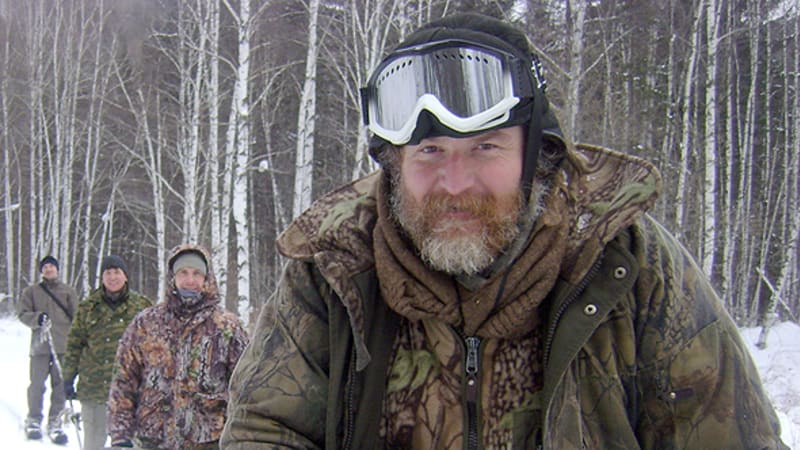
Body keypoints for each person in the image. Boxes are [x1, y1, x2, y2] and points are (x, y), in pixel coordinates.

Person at [220, 12, 788, 450]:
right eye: (429, 151)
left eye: (485, 148)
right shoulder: (333, 271)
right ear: (393, 164)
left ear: (537, 154)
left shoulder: (627, 263)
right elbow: (265, 431)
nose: (455, 183)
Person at [107, 244, 248, 449]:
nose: (190, 280)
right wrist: (120, 436)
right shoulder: (146, 323)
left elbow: (245, 386)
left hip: (209, 441)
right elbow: (124, 381)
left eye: (196, 273)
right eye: (183, 273)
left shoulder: (227, 326)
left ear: (207, 278)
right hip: (152, 440)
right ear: (173, 277)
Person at [62, 254, 153, 450]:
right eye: (108, 273)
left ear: (125, 276)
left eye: (117, 272)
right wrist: (67, 378)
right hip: (94, 390)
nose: (112, 277)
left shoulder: (142, 306)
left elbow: (154, 348)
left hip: (132, 394)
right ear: (102, 277)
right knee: (93, 444)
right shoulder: (88, 307)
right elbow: (74, 344)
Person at [16, 255, 79, 444]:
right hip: (40, 347)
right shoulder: (31, 292)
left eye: (51, 266)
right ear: (41, 271)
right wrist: (37, 319)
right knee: (36, 385)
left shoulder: (68, 291)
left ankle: (55, 422)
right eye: (45, 267)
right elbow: (22, 314)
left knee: (60, 386)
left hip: (63, 346)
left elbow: (77, 317)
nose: (49, 269)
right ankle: (34, 419)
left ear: (57, 269)